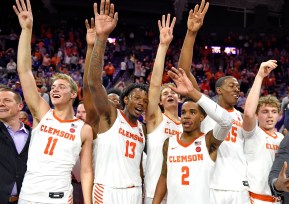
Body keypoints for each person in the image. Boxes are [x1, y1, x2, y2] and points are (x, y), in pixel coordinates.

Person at [13, 0, 93, 203]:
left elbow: (85, 171)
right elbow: (24, 71)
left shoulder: (84, 129)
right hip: (28, 194)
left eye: (62, 86)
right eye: (53, 86)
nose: (55, 89)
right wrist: (26, 30)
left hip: (58, 197)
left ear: (74, 94)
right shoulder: (42, 112)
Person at [177, 1, 248, 202]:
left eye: (238, 86)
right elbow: (184, 71)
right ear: (218, 90)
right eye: (231, 85)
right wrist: (191, 34)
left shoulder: (243, 116)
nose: (237, 89)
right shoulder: (205, 107)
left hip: (239, 186)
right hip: (212, 184)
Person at [84, 0, 147, 203]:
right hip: (108, 190)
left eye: (145, 101)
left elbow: (138, 164)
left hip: (135, 190)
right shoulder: (110, 114)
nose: (141, 103)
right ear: (125, 99)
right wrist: (101, 38)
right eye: (137, 97)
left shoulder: (142, 129)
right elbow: (93, 83)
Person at [152, 67, 232, 204]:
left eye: (192, 112)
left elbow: (226, 121)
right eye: (183, 112)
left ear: (202, 117)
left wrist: (193, 93)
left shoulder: (208, 141)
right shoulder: (169, 142)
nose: (186, 116)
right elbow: (164, 176)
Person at [242, 60, 289, 203]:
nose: (270, 115)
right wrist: (260, 76)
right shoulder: (253, 133)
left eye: (273, 112)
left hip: (279, 199)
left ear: (279, 115)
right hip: (256, 199)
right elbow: (247, 112)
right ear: (256, 115)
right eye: (265, 111)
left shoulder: (281, 138)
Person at [144, 14, 181, 204]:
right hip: (153, 192)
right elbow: (155, 86)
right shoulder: (156, 119)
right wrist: (163, 46)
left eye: (173, 92)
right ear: (159, 102)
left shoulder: (187, 125)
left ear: (180, 98)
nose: (169, 94)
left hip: (180, 194)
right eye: (165, 93)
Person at [0, 88, 31, 204]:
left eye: (7, 100)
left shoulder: (34, 136)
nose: (1, 103)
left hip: (27, 200)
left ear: (20, 106)